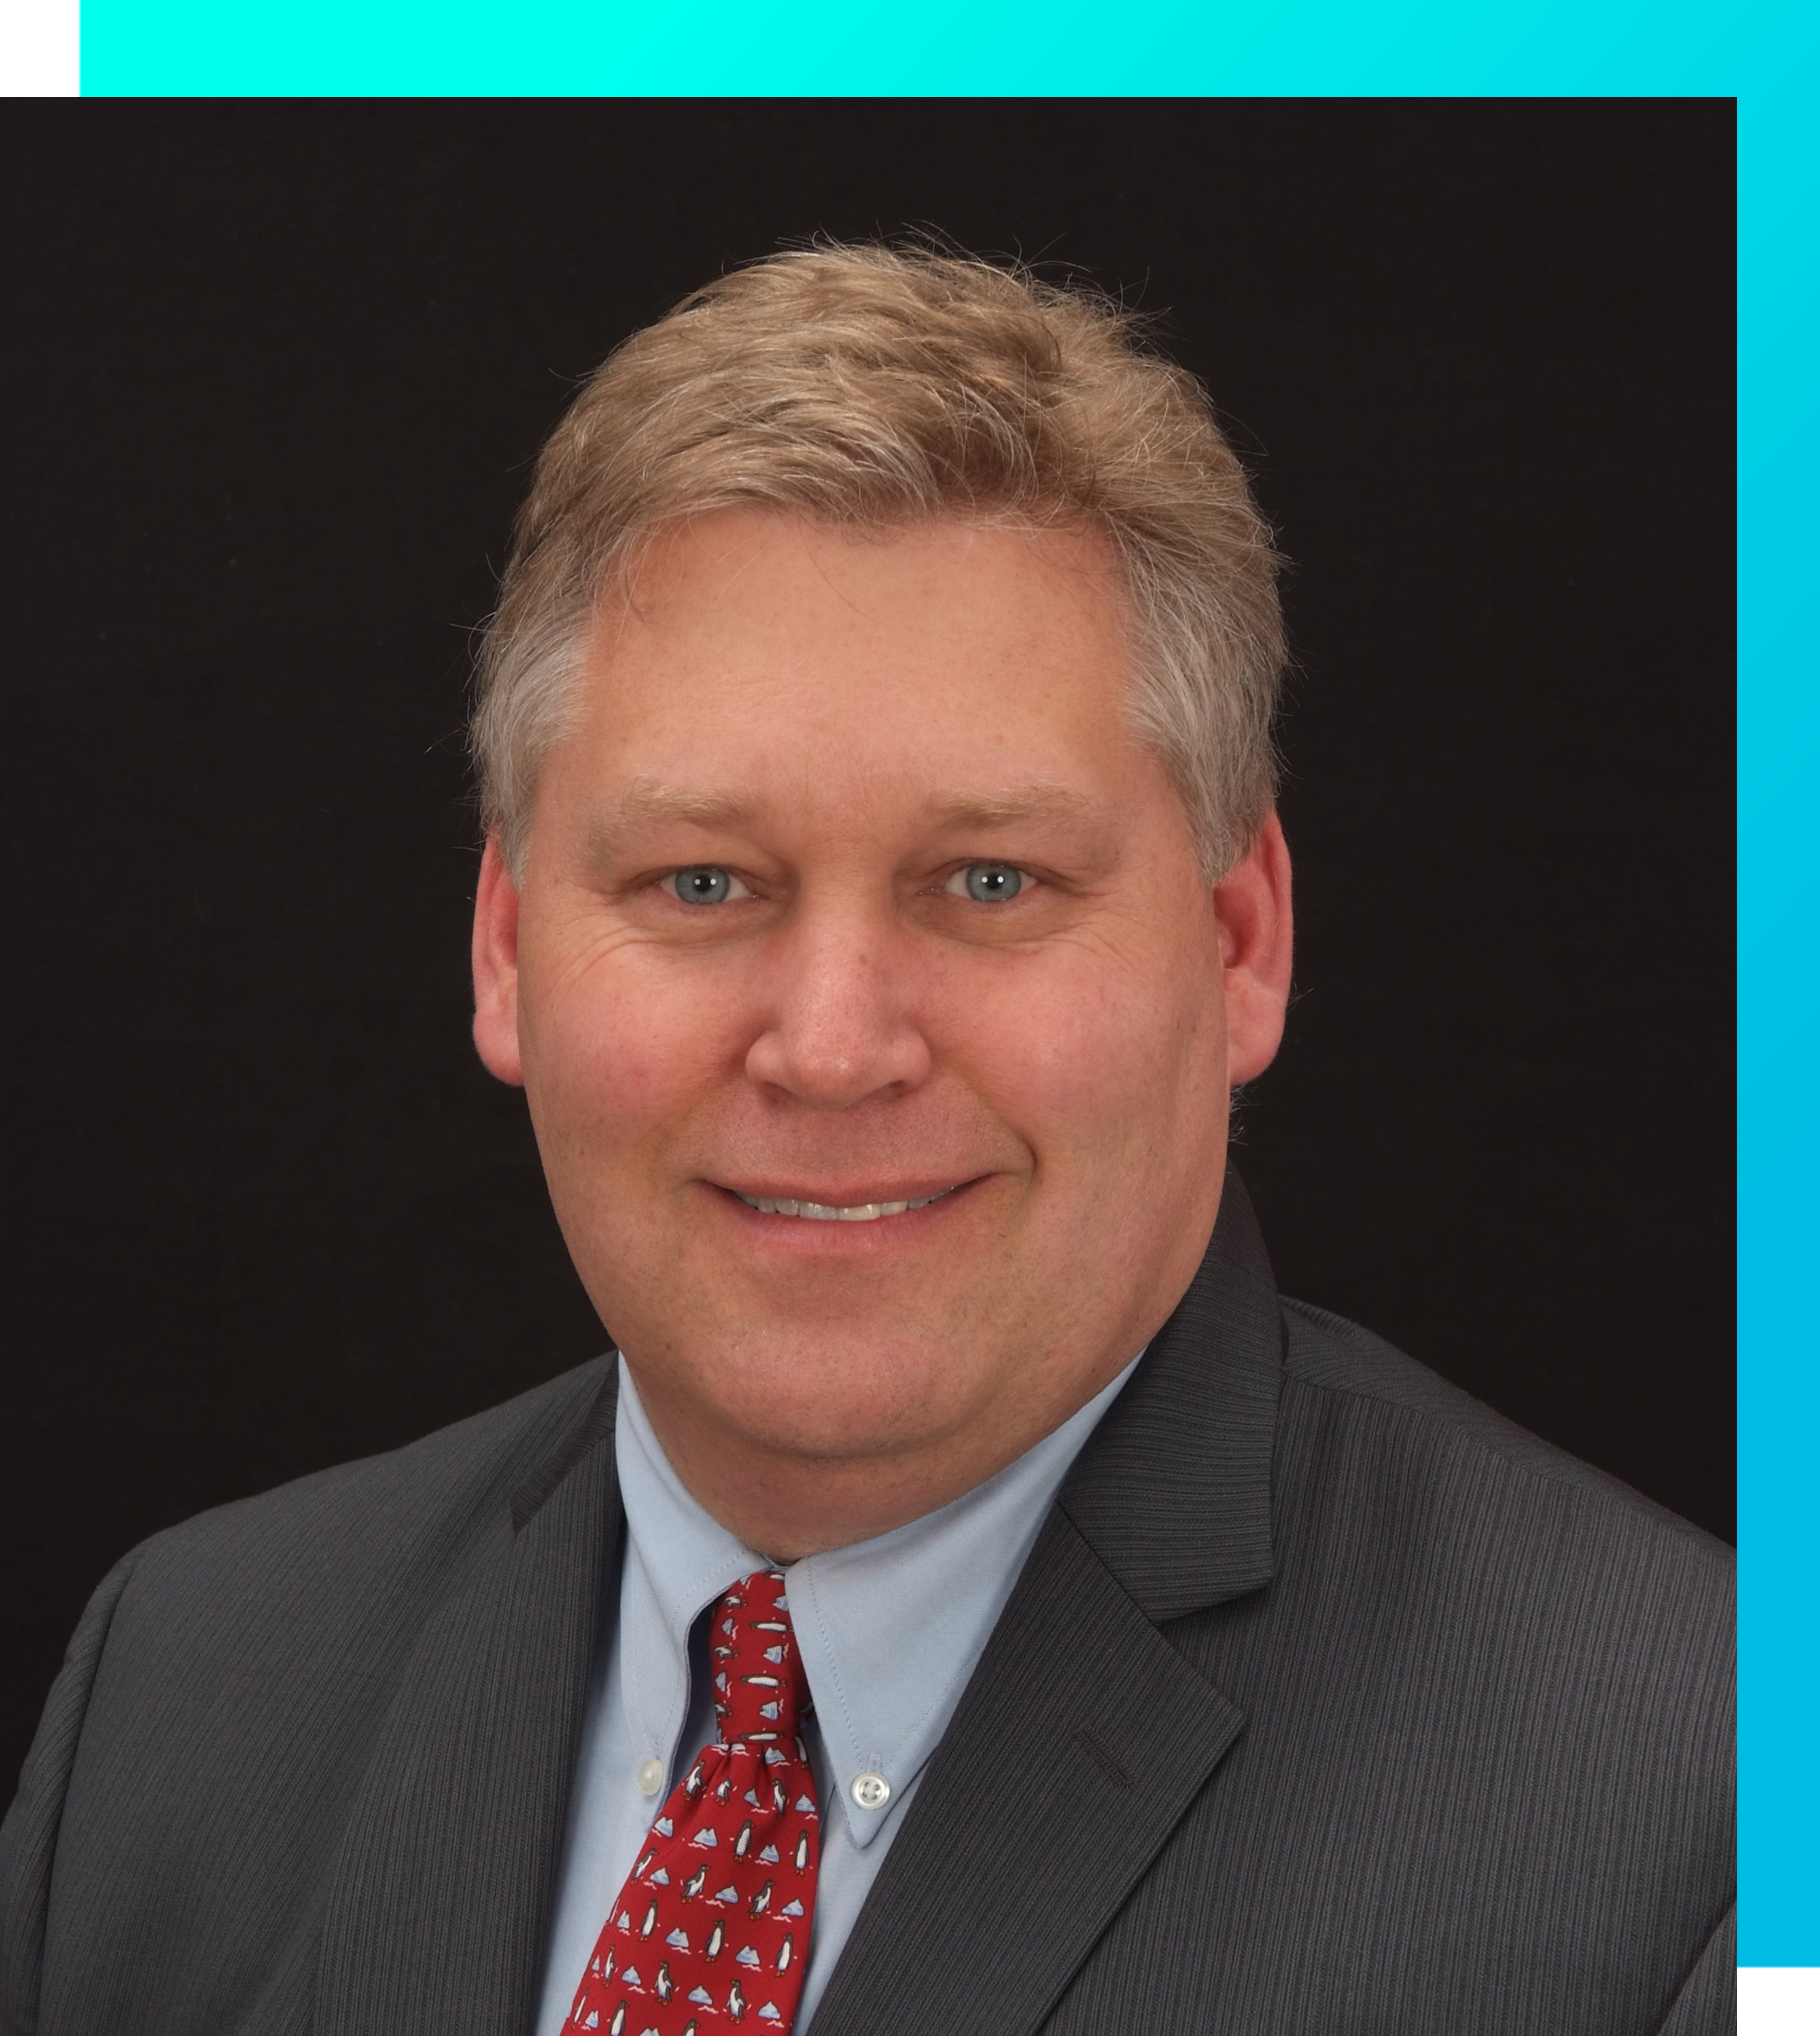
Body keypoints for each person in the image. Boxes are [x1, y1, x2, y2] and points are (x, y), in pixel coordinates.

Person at [0, 246, 1732, 2036]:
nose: (832, 1047)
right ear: (508, 947)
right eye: (700, 881)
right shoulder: (186, 1687)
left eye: (990, 880)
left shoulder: (1702, 1815)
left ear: (1238, 944)